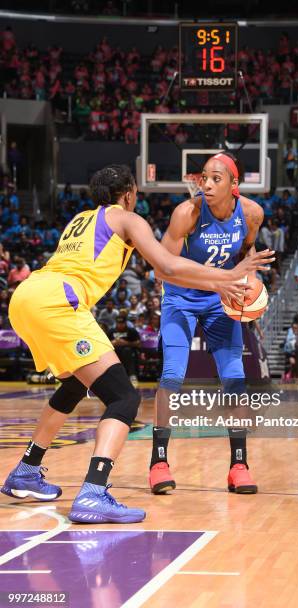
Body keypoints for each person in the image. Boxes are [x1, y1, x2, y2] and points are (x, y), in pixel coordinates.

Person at [1, 164, 273, 523]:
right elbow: (166, 265)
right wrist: (226, 278)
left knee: (71, 386)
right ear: (129, 194)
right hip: (57, 301)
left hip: (25, 298)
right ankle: (94, 492)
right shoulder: (128, 219)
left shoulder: (81, 218)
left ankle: (26, 470)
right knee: (124, 398)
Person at [149, 152, 269, 496]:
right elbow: (161, 268)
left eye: (217, 179)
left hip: (221, 300)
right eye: (204, 177)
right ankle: (159, 463)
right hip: (180, 299)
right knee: (172, 374)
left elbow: (246, 253)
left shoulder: (251, 213)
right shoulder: (187, 213)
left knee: (235, 378)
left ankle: (239, 466)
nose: (208, 184)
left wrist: (247, 283)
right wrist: (219, 280)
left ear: (235, 185)